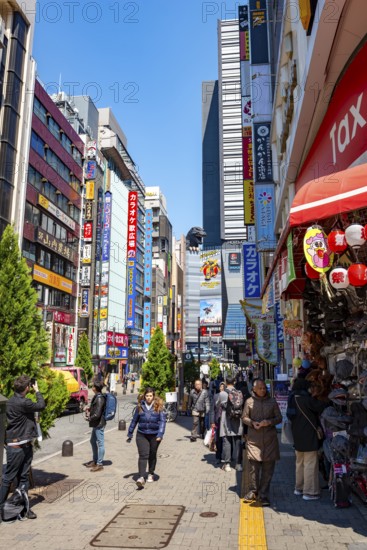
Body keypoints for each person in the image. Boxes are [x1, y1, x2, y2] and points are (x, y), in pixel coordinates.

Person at [0, 375, 45, 521]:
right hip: (18, 447)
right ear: (27, 388)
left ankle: (24, 508)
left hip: (22, 445)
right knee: (9, 478)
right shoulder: (24, 402)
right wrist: (37, 391)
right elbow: (41, 405)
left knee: (23, 478)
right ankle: (1, 508)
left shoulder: (11, 401)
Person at [242, 379, 282, 506]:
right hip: (254, 439)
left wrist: (268, 422)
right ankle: (253, 491)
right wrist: (252, 423)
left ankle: (263, 495)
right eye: (260, 388)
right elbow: (244, 417)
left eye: (264, 388)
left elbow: (279, 418)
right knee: (253, 468)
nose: (263, 390)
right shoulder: (249, 402)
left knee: (268, 469)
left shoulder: (272, 401)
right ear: (254, 389)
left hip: (270, 440)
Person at [287, 377, 328, 500]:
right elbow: (322, 406)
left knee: (300, 463)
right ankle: (309, 492)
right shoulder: (306, 399)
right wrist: (315, 396)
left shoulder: (292, 398)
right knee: (310, 463)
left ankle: (299, 488)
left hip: (297, 436)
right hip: (309, 435)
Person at [127, 387, 166, 488]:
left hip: (154, 435)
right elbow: (134, 420)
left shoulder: (159, 406)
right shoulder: (140, 407)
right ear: (144, 396)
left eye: (150, 396)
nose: (149, 398)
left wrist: (160, 434)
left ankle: (151, 473)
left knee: (152, 454)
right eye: (147, 396)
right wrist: (130, 432)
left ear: (153, 396)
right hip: (142, 434)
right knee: (143, 455)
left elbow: (162, 421)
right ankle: (141, 477)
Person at [217, 376, 244, 472]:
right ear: (234, 382)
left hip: (226, 419)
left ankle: (227, 464)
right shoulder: (239, 393)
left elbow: (218, 405)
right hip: (237, 419)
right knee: (238, 441)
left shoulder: (222, 393)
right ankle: (238, 464)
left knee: (227, 441)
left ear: (225, 382)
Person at [85, 377, 106, 472]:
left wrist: (89, 418)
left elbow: (97, 414)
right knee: (92, 441)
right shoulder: (97, 396)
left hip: (99, 424)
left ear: (95, 388)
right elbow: (95, 409)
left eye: (93, 386)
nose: (91, 387)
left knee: (100, 443)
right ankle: (95, 460)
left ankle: (99, 463)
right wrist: (89, 409)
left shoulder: (100, 398)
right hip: (96, 424)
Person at [213, 382, 225, 464]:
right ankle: (218, 456)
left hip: (226, 420)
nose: (222, 388)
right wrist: (212, 421)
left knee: (227, 440)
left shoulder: (228, 395)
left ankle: (228, 457)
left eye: (223, 386)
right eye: (221, 386)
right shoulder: (216, 396)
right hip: (218, 420)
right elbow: (212, 410)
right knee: (218, 439)